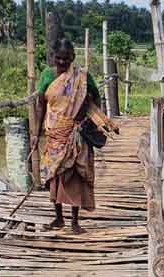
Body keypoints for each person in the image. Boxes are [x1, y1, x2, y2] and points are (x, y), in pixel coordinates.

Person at [35, 38, 101, 235]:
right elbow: (40, 104)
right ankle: (58, 218)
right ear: (53, 57)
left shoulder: (82, 77)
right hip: (54, 133)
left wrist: (90, 116)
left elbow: (96, 96)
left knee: (75, 174)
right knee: (54, 175)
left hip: (76, 132)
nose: (62, 62)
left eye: (66, 59)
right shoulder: (46, 76)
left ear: (72, 57)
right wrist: (36, 133)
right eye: (59, 58)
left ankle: (74, 221)